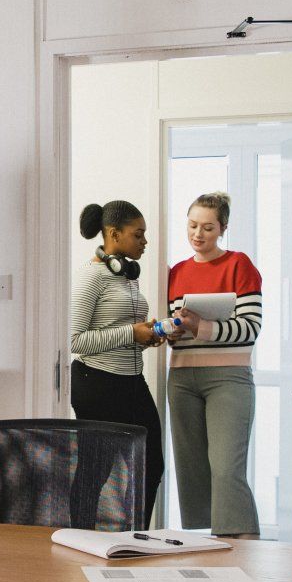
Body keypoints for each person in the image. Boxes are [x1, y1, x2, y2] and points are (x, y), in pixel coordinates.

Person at [165, 192, 264, 537]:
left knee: (226, 469)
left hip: (228, 378)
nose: (198, 234)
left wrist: (200, 328)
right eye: (192, 225)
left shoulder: (239, 265)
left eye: (207, 227)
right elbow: (171, 327)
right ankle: (208, 552)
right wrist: (173, 330)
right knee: (192, 470)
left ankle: (244, 546)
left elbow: (250, 329)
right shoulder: (175, 272)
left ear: (222, 228)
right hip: (181, 378)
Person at [69, 200, 165, 522]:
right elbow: (74, 340)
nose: (144, 242)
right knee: (96, 470)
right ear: (113, 234)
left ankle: (132, 539)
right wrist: (130, 334)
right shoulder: (91, 277)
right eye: (138, 235)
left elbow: (122, 332)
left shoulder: (127, 276)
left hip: (131, 381)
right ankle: (79, 537)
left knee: (152, 466)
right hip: (96, 383)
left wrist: (147, 336)